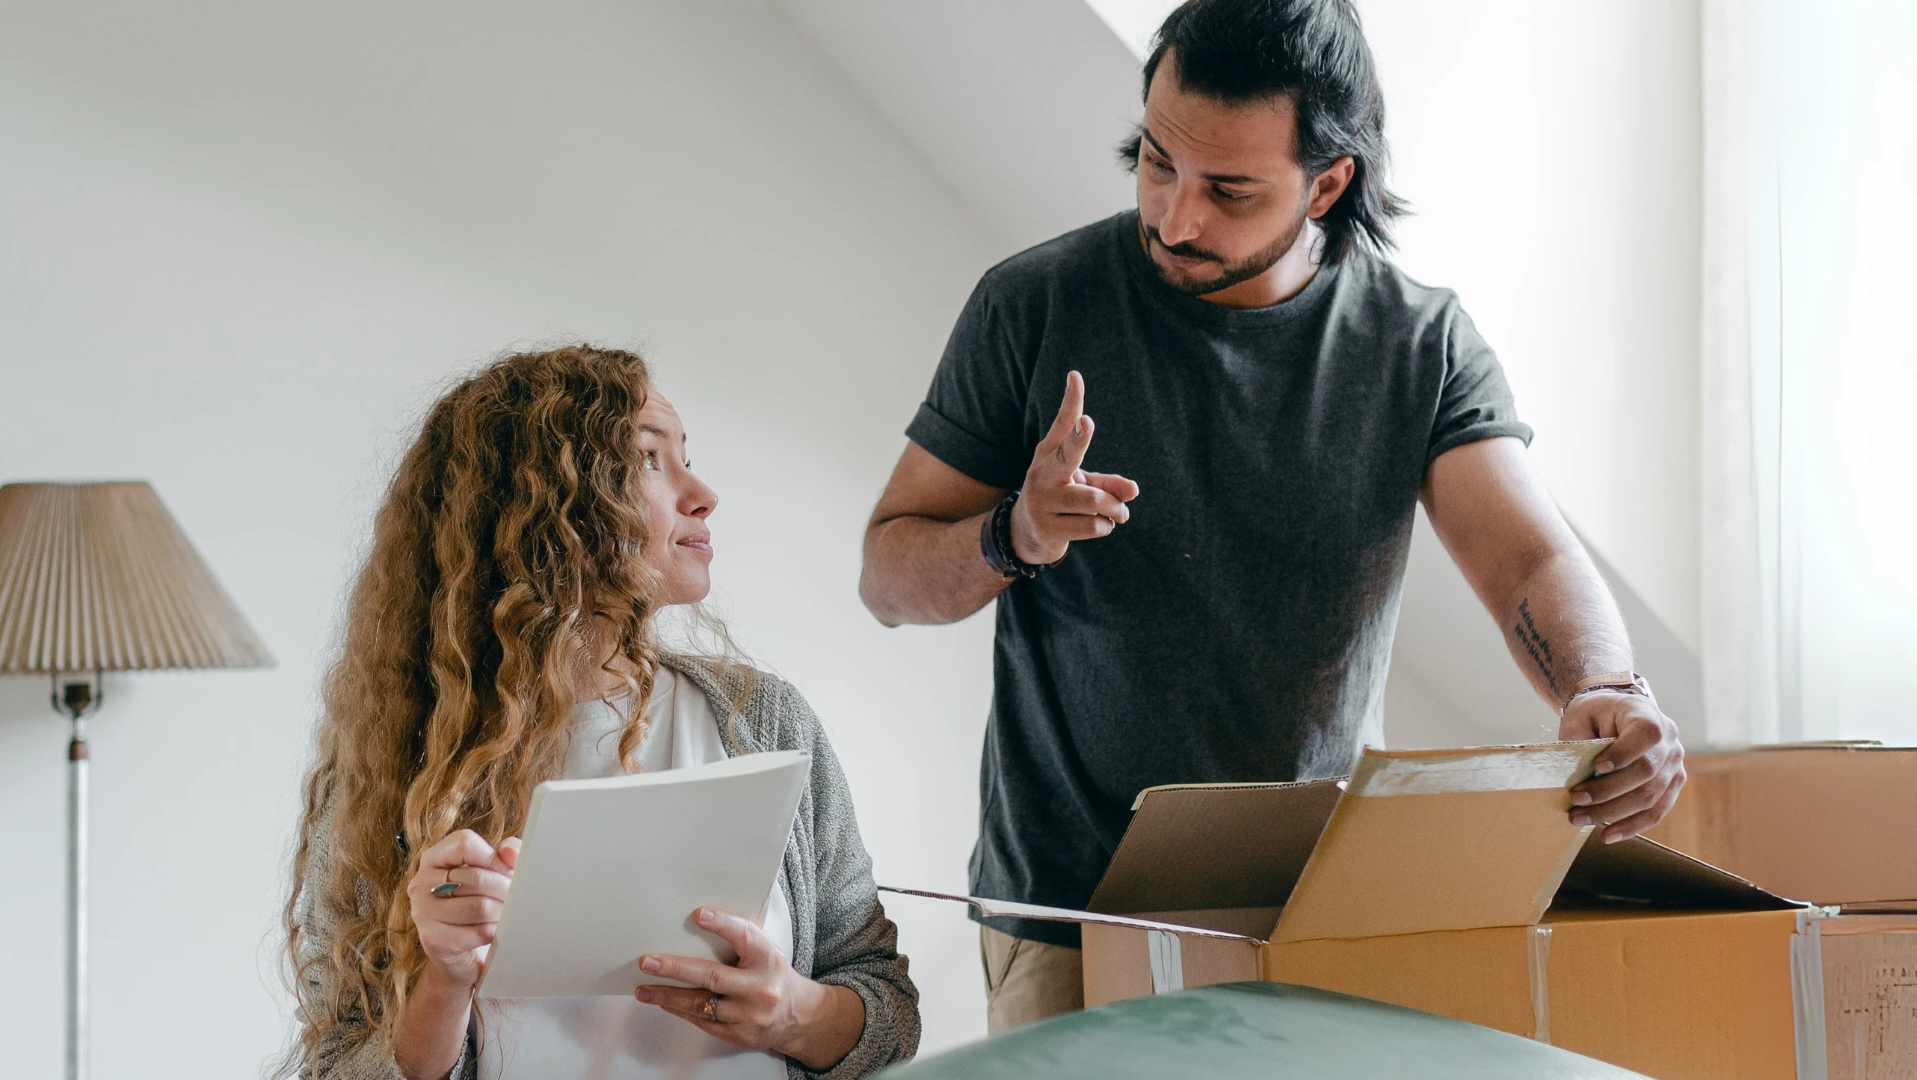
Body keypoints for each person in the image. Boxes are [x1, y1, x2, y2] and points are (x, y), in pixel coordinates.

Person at [858, 0, 1686, 1033]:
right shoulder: (1032, 305)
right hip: (1066, 915)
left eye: (1229, 190)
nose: (1175, 217)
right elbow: (887, 576)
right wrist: (1011, 536)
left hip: (1309, 910)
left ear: (1328, 181)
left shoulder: (1417, 343)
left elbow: (1528, 560)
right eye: (1155, 162)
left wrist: (1605, 685)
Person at [282, 346, 917, 1080]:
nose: (702, 493)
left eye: (686, 456)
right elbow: (333, 1065)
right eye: (650, 460)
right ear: (538, 508)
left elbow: (888, 1009)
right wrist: (445, 980)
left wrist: (792, 1013)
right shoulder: (397, 769)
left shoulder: (761, 720)